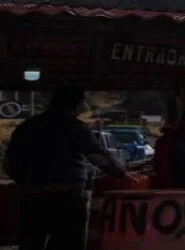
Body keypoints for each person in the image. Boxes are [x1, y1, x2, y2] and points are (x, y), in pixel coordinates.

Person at [2, 86, 131, 250]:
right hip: (66, 195)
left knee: (31, 242)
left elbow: (9, 161)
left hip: (32, 196)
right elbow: (96, 155)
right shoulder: (74, 126)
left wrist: (23, 181)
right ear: (77, 104)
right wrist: (119, 173)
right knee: (67, 242)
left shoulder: (27, 126)